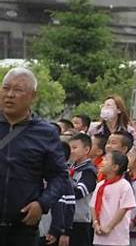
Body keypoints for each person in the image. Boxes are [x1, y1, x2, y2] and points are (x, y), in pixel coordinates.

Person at [0, 67, 68, 246]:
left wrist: (42, 203)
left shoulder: (45, 133)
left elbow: (59, 176)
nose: (10, 95)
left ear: (33, 96)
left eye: (18, 90)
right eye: (5, 88)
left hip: (22, 229)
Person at [90, 151, 136, 246]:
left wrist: (109, 227)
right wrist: (95, 223)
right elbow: (93, 206)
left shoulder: (124, 185)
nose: (102, 161)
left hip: (117, 238)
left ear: (115, 167)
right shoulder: (100, 185)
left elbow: (124, 208)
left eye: (106, 159)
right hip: (99, 236)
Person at [68, 133, 97, 246]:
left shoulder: (88, 171)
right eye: (69, 148)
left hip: (80, 221)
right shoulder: (70, 168)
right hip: (67, 220)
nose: (71, 151)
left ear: (86, 149)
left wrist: (64, 179)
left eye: (74, 148)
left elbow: (79, 192)